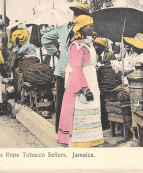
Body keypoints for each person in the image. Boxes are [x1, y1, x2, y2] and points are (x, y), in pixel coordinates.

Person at [41, 2, 91, 134]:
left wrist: (57, 53)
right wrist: (57, 53)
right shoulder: (84, 29)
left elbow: (45, 39)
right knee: (76, 101)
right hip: (73, 71)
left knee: (63, 101)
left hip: (64, 69)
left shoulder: (64, 27)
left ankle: (61, 129)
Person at [57, 15, 104, 148]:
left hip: (92, 80)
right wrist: (84, 89)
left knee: (92, 109)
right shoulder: (76, 46)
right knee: (82, 108)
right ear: (82, 28)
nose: (92, 28)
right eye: (89, 25)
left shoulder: (88, 44)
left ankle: (92, 140)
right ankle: (80, 142)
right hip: (82, 83)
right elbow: (76, 69)